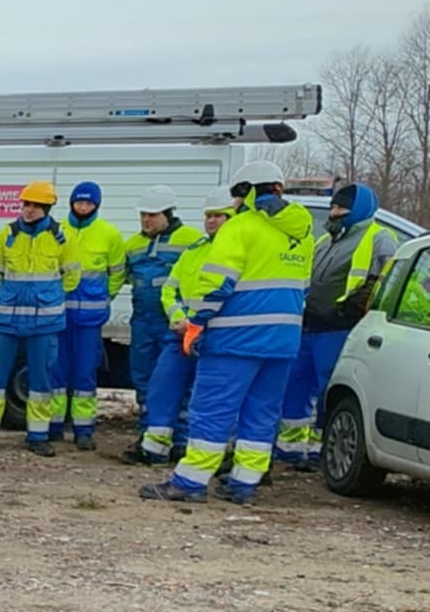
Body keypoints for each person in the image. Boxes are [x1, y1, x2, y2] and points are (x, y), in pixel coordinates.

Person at [140, 160, 313, 505]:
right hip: (283, 340)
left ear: (246, 193)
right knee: (261, 413)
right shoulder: (303, 234)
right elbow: (305, 287)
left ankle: (190, 481)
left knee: (213, 409)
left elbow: (216, 284)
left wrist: (196, 323)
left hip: (235, 339)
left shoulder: (239, 228)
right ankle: (244, 483)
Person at [275, 183, 399, 469]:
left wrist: (352, 307)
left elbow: (385, 282)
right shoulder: (324, 241)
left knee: (327, 389)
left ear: (358, 211)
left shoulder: (380, 238)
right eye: (333, 207)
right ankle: (290, 448)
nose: (334, 213)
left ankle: (321, 449)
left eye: (341, 208)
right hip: (310, 325)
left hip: (341, 327)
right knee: (296, 385)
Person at [128, 186, 237, 467]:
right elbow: (170, 288)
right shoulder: (194, 250)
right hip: (172, 329)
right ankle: (153, 444)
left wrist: (196, 322)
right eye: (208, 216)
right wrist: (179, 318)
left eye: (218, 216)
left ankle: (185, 444)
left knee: (198, 392)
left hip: (211, 333)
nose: (211, 221)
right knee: (157, 385)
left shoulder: (229, 250)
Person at [0, 180, 67, 455]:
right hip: (7, 323)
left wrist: (49, 298)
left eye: (35, 205)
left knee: (40, 383)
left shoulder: (61, 237)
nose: (29, 209)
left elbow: (72, 275)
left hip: (44, 324)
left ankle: (38, 437)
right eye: (26, 204)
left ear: (47, 208)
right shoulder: (6, 235)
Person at [121, 186, 202, 441]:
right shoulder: (133, 245)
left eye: (152, 215)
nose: (146, 220)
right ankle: (149, 435)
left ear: (168, 214)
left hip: (175, 324)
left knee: (179, 381)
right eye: (143, 215)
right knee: (143, 380)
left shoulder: (192, 240)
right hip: (142, 322)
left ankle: (181, 438)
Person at [56, 181, 128, 449]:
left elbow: (118, 272)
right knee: (56, 374)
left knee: (85, 376)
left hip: (89, 320)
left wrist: (105, 297)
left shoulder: (109, 234)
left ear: (96, 205)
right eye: (79, 202)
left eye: (88, 203)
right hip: (58, 316)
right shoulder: (58, 231)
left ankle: (83, 430)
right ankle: (52, 426)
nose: (83, 207)